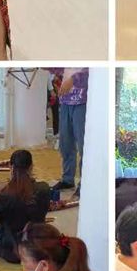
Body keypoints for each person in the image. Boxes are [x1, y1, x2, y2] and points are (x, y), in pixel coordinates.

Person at [0, 150, 51, 262]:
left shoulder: (5, 194)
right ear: (31, 167)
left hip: (13, 249)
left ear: (11, 167)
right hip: (38, 244)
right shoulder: (44, 188)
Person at [47, 68, 88, 198]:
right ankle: (68, 179)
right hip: (65, 101)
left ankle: (85, 183)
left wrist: (73, 80)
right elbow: (62, 69)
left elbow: (92, 71)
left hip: (82, 102)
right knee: (66, 144)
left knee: (84, 146)